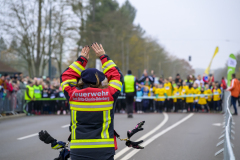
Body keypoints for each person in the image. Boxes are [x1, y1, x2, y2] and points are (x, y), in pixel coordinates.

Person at [60, 43, 124, 160]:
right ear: (99, 81)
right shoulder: (108, 95)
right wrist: (103, 57)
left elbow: (65, 77)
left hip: (78, 150)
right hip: (104, 150)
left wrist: (81, 60)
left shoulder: (73, 95)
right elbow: (117, 76)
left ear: (82, 80)